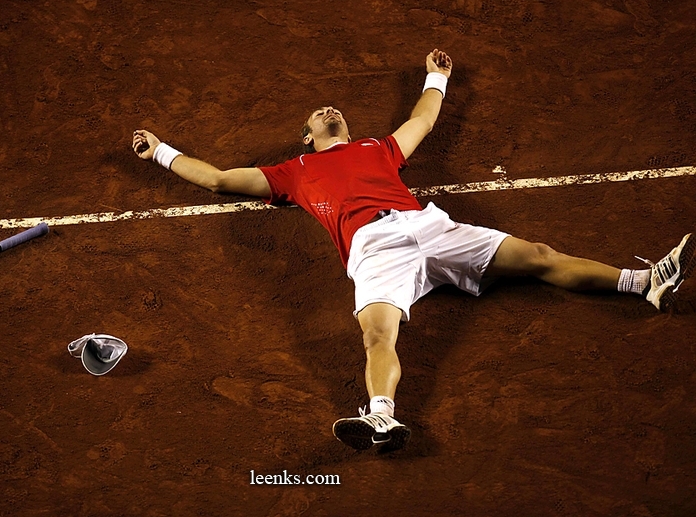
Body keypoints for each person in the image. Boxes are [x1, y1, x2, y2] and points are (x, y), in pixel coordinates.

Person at [132, 49, 694, 452]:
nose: (329, 110)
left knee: (539, 255)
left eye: (334, 110)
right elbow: (217, 179)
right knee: (377, 335)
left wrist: (436, 77)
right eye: (318, 115)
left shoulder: (378, 148)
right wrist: (160, 151)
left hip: (429, 225)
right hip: (375, 249)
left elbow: (421, 120)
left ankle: (645, 283)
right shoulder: (292, 172)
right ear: (307, 136)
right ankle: (382, 418)